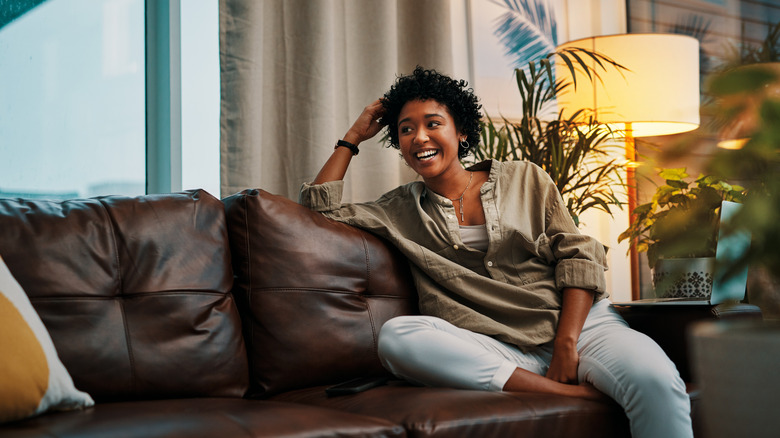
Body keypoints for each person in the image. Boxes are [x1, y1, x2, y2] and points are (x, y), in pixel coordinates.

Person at [299, 66, 693, 438]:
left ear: (462, 133)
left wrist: (566, 344)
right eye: (406, 130)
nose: (419, 137)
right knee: (398, 336)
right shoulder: (397, 210)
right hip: (499, 347)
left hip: (582, 328)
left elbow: (579, 257)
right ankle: (561, 394)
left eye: (433, 124)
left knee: (656, 381)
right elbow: (318, 209)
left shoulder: (525, 178)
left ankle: (565, 370)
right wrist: (352, 137)